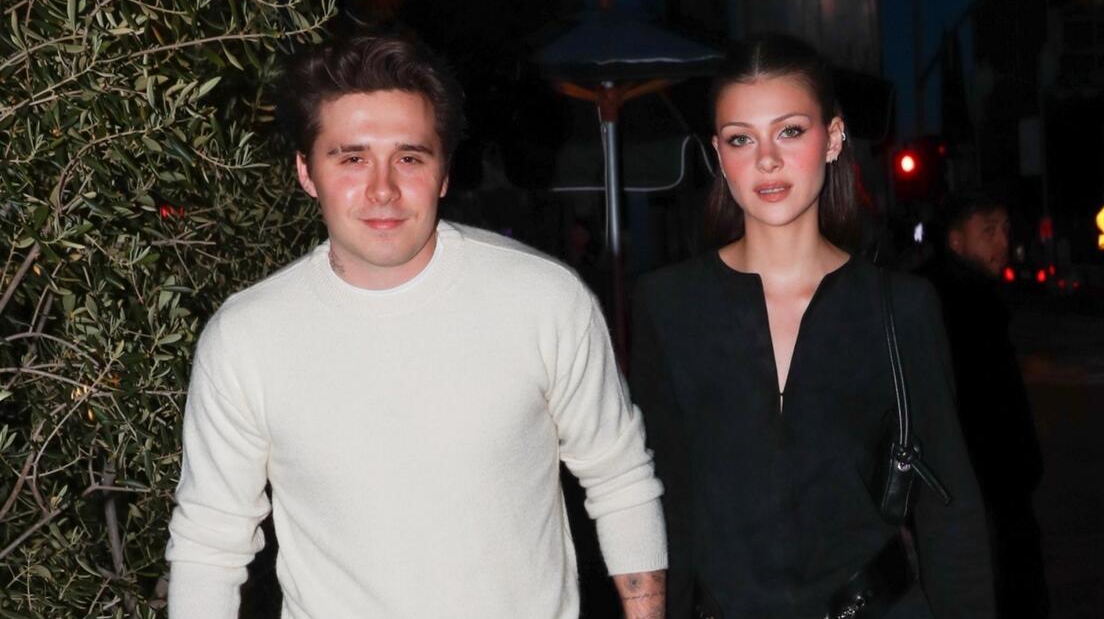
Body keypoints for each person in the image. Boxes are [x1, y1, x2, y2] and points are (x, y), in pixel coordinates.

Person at [165, 34, 668, 619]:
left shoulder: (544, 300)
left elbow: (620, 478)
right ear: (306, 172)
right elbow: (209, 544)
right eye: (352, 158)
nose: (382, 188)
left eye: (409, 157)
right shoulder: (246, 338)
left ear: (444, 172)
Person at [630, 35, 995, 618]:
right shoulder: (667, 305)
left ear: (834, 137)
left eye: (790, 131)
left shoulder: (901, 307)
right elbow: (660, 504)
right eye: (741, 138)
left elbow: (951, 511)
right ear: (718, 154)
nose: (766, 160)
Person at [918, 193, 1049, 619]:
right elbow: (982, 408)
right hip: (981, 495)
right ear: (956, 241)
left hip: (988, 492)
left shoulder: (971, 298)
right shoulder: (955, 304)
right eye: (988, 231)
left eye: (1005, 230)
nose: (1002, 242)